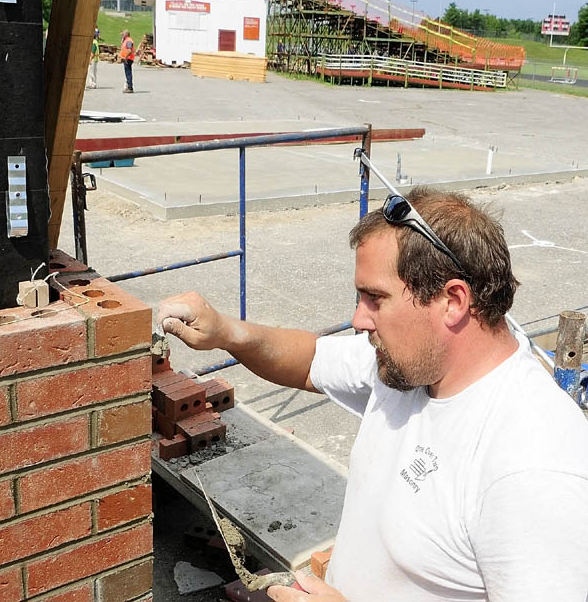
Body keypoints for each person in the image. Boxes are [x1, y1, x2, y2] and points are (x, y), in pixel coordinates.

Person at [157, 187, 588, 602]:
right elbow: (310, 359)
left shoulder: (533, 467)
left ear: (453, 301)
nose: (358, 319)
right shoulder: (407, 367)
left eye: (375, 299)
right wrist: (227, 332)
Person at [120, 29, 135, 93]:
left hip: (128, 59)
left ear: (126, 34)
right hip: (126, 59)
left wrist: (125, 58)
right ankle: (128, 86)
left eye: (123, 34)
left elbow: (129, 50)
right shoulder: (126, 40)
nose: (122, 36)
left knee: (128, 73)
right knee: (127, 73)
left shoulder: (128, 41)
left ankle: (130, 87)